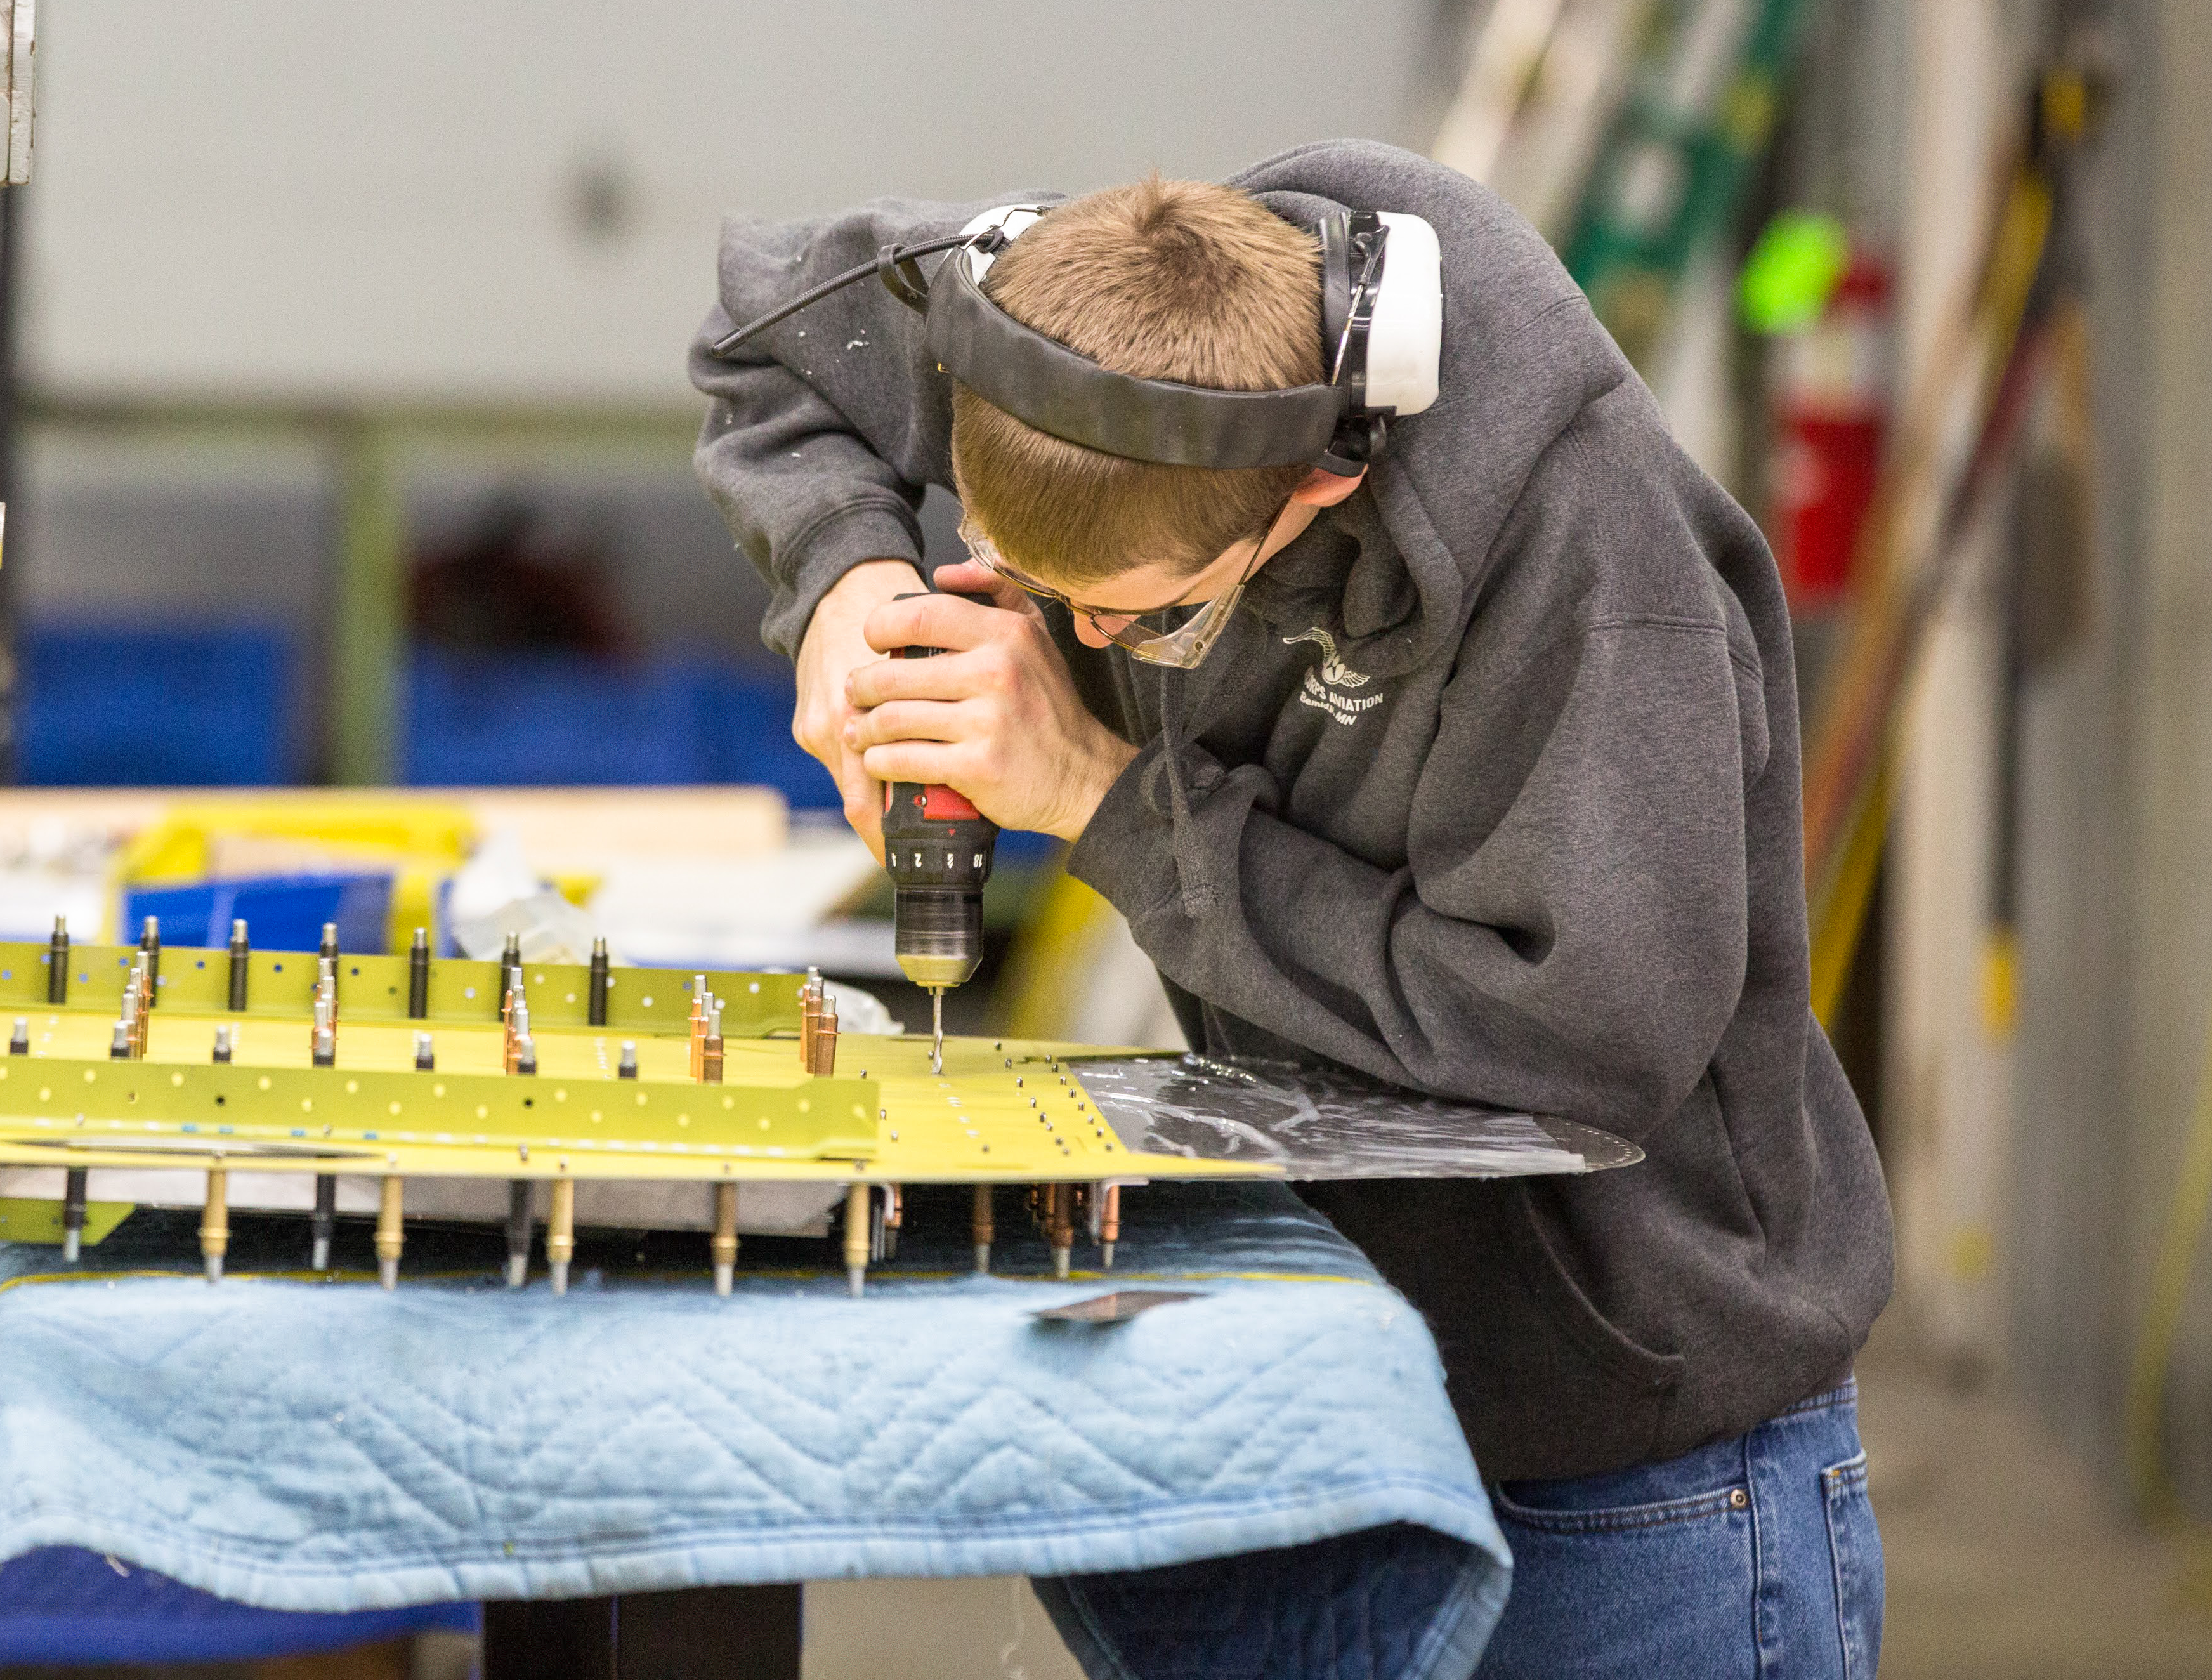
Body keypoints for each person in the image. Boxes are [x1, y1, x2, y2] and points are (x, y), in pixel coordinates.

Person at [689, 141, 1894, 1678]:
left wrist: (1101, 797)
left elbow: (1578, 1044)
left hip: (1628, 1466)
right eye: (1033, 589)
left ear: (1326, 477)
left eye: (1134, 618)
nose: (1073, 640)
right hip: (1336, 1379)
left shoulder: (1592, 576)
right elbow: (778, 330)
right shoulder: (1081, 329)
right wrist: (852, 583)